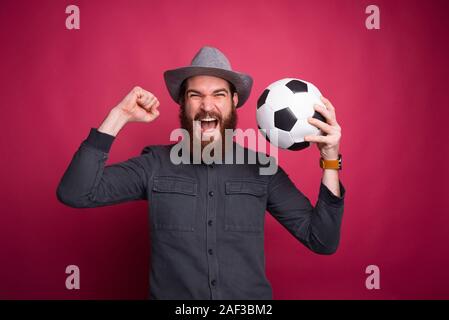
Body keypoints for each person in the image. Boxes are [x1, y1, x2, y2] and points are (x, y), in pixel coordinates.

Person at [56, 46, 345, 300]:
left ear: (234, 101)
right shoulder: (153, 164)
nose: (207, 106)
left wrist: (330, 160)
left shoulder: (263, 169)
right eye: (196, 95)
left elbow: (322, 240)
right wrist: (119, 115)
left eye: (218, 95)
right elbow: (75, 193)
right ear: (182, 104)